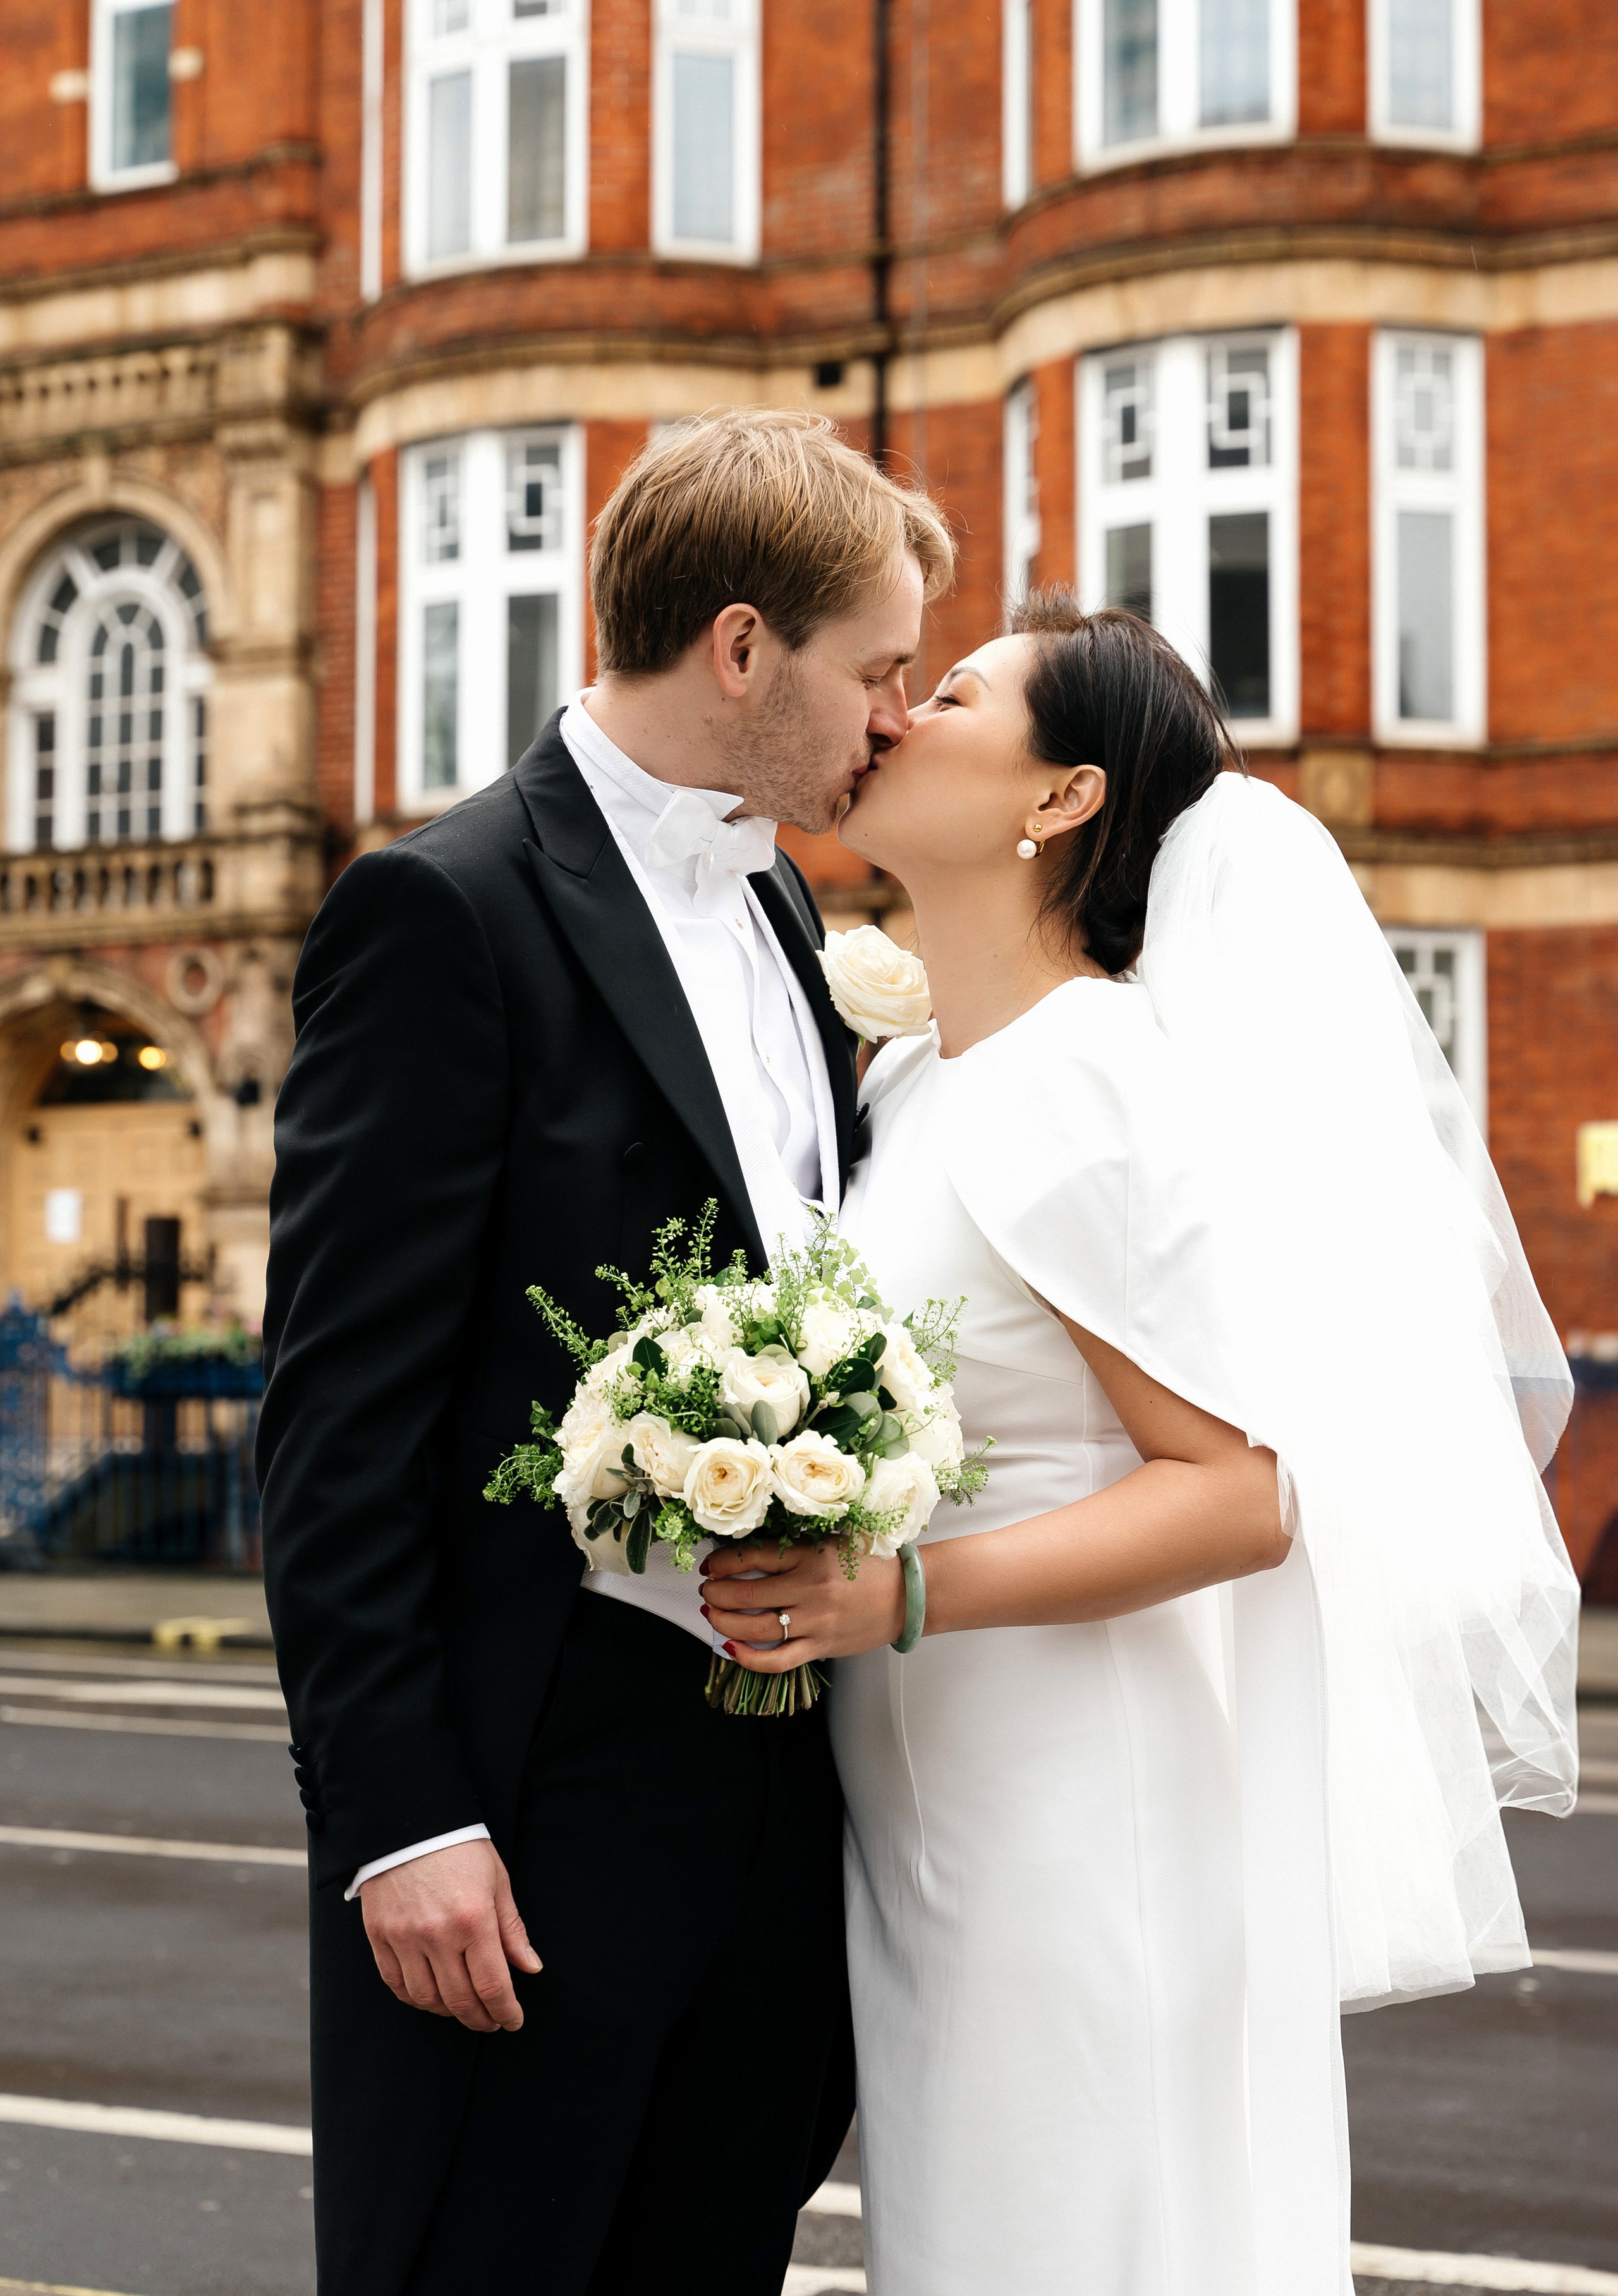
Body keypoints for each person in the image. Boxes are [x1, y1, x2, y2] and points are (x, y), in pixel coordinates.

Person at [700, 595, 1581, 2296]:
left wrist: (901, 1599)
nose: (893, 716)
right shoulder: (916, 1085)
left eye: (951, 695)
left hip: (1073, 1814)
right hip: (937, 1811)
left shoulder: (1083, 1079)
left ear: (1059, 802)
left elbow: (1239, 1495)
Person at [255, 411, 955, 2296]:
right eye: (876, 672)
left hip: (774, 1820)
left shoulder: (794, 911)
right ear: (743, 649)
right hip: (530, 1824)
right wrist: (402, 1819)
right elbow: (336, 1419)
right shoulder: (444, 909)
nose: (896, 718)